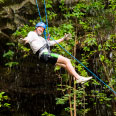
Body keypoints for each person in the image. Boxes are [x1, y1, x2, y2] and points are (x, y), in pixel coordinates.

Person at [20, 22, 92, 84]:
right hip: (44, 55)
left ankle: (75, 77)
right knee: (67, 61)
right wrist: (24, 41)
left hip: (42, 58)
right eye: (40, 28)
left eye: (43, 29)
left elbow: (52, 43)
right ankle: (78, 78)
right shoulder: (32, 34)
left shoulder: (41, 39)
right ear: (36, 27)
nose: (41, 30)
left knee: (65, 65)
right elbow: (28, 38)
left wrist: (63, 39)